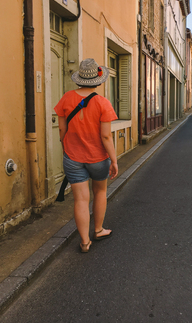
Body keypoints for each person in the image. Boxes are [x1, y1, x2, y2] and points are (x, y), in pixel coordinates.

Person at [54, 58, 118, 253]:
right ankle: (98, 230)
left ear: (79, 78)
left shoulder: (66, 98)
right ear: (97, 81)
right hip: (98, 157)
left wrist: (68, 147)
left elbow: (62, 131)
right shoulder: (102, 103)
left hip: (73, 158)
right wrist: (113, 160)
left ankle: (84, 242)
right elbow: (106, 136)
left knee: (80, 199)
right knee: (99, 192)